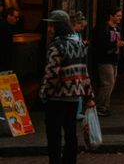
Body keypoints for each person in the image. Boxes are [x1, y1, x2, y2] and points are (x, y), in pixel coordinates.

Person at [39, 10, 96, 163]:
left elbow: (51, 74)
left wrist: (44, 94)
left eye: (52, 26)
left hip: (57, 97)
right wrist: (89, 96)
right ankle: (70, 160)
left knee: (54, 134)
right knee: (71, 132)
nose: (49, 29)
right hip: (73, 97)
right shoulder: (79, 45)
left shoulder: (56, 47)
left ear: (59, 26)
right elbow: (85, 73)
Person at [91, 7, 124, 117]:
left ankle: (105, 105)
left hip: (114, 58)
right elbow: (100, 44)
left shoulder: (117, 28)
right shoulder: (103, 28)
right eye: (118, 16)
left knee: (111, 83)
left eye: (120, 16)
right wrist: (115, 45)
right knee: (107, 82)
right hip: (104, 59)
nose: (120, 18)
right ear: (111, 16)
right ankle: (100, 106)